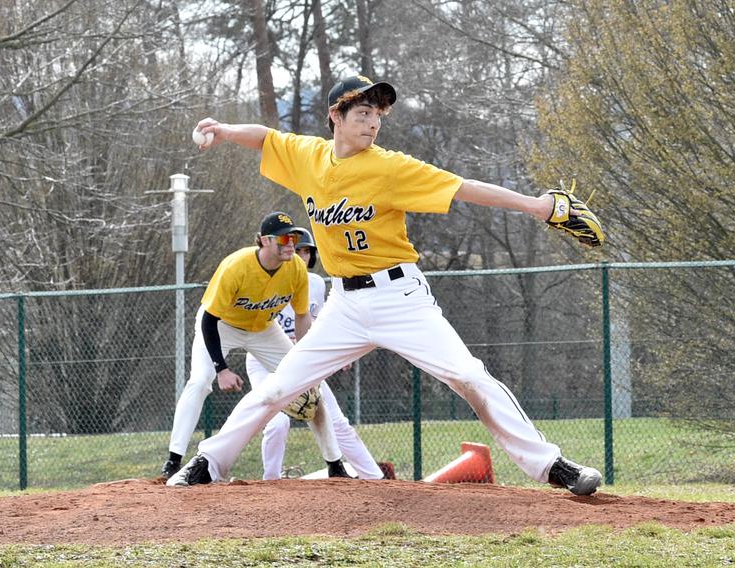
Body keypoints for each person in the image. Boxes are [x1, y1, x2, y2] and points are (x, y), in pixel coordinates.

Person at [168, 75, 603, 495]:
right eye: (362, 111)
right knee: (278, 388)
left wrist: (539, 206)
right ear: (335, 116)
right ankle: (209, 463)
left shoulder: (389, 167)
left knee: (468, 375)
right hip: (344, 305)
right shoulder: (309, 157)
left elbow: (463, 188)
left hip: (399, 298)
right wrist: (224, 130)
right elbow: (265, 137)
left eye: (377, 114)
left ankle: (550, 465)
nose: (373, 122)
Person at [160, 211, 353, 481]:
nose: (290, 245)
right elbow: (209, 320)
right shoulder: (235, 266)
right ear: (263, 241)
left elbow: (302, 318)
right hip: (221, 326)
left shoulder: (295, 268)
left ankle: (335, 465)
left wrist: (307, 360)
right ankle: (173, 460)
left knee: (308, 384)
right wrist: (222, 369)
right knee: (200, 381)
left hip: (263, 329)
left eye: (294, 239)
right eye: (284, 239)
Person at [244, 228, 384, 479]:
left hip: (303, 364)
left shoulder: (316, 284)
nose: (302, 255)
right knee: (277, 422)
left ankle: (375, 478)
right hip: (265, 363)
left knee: (337, 422)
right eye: (297, 250)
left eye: (307, 251)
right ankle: (271, 482)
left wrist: (339, 354)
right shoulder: (265, 279)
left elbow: (321, 325)